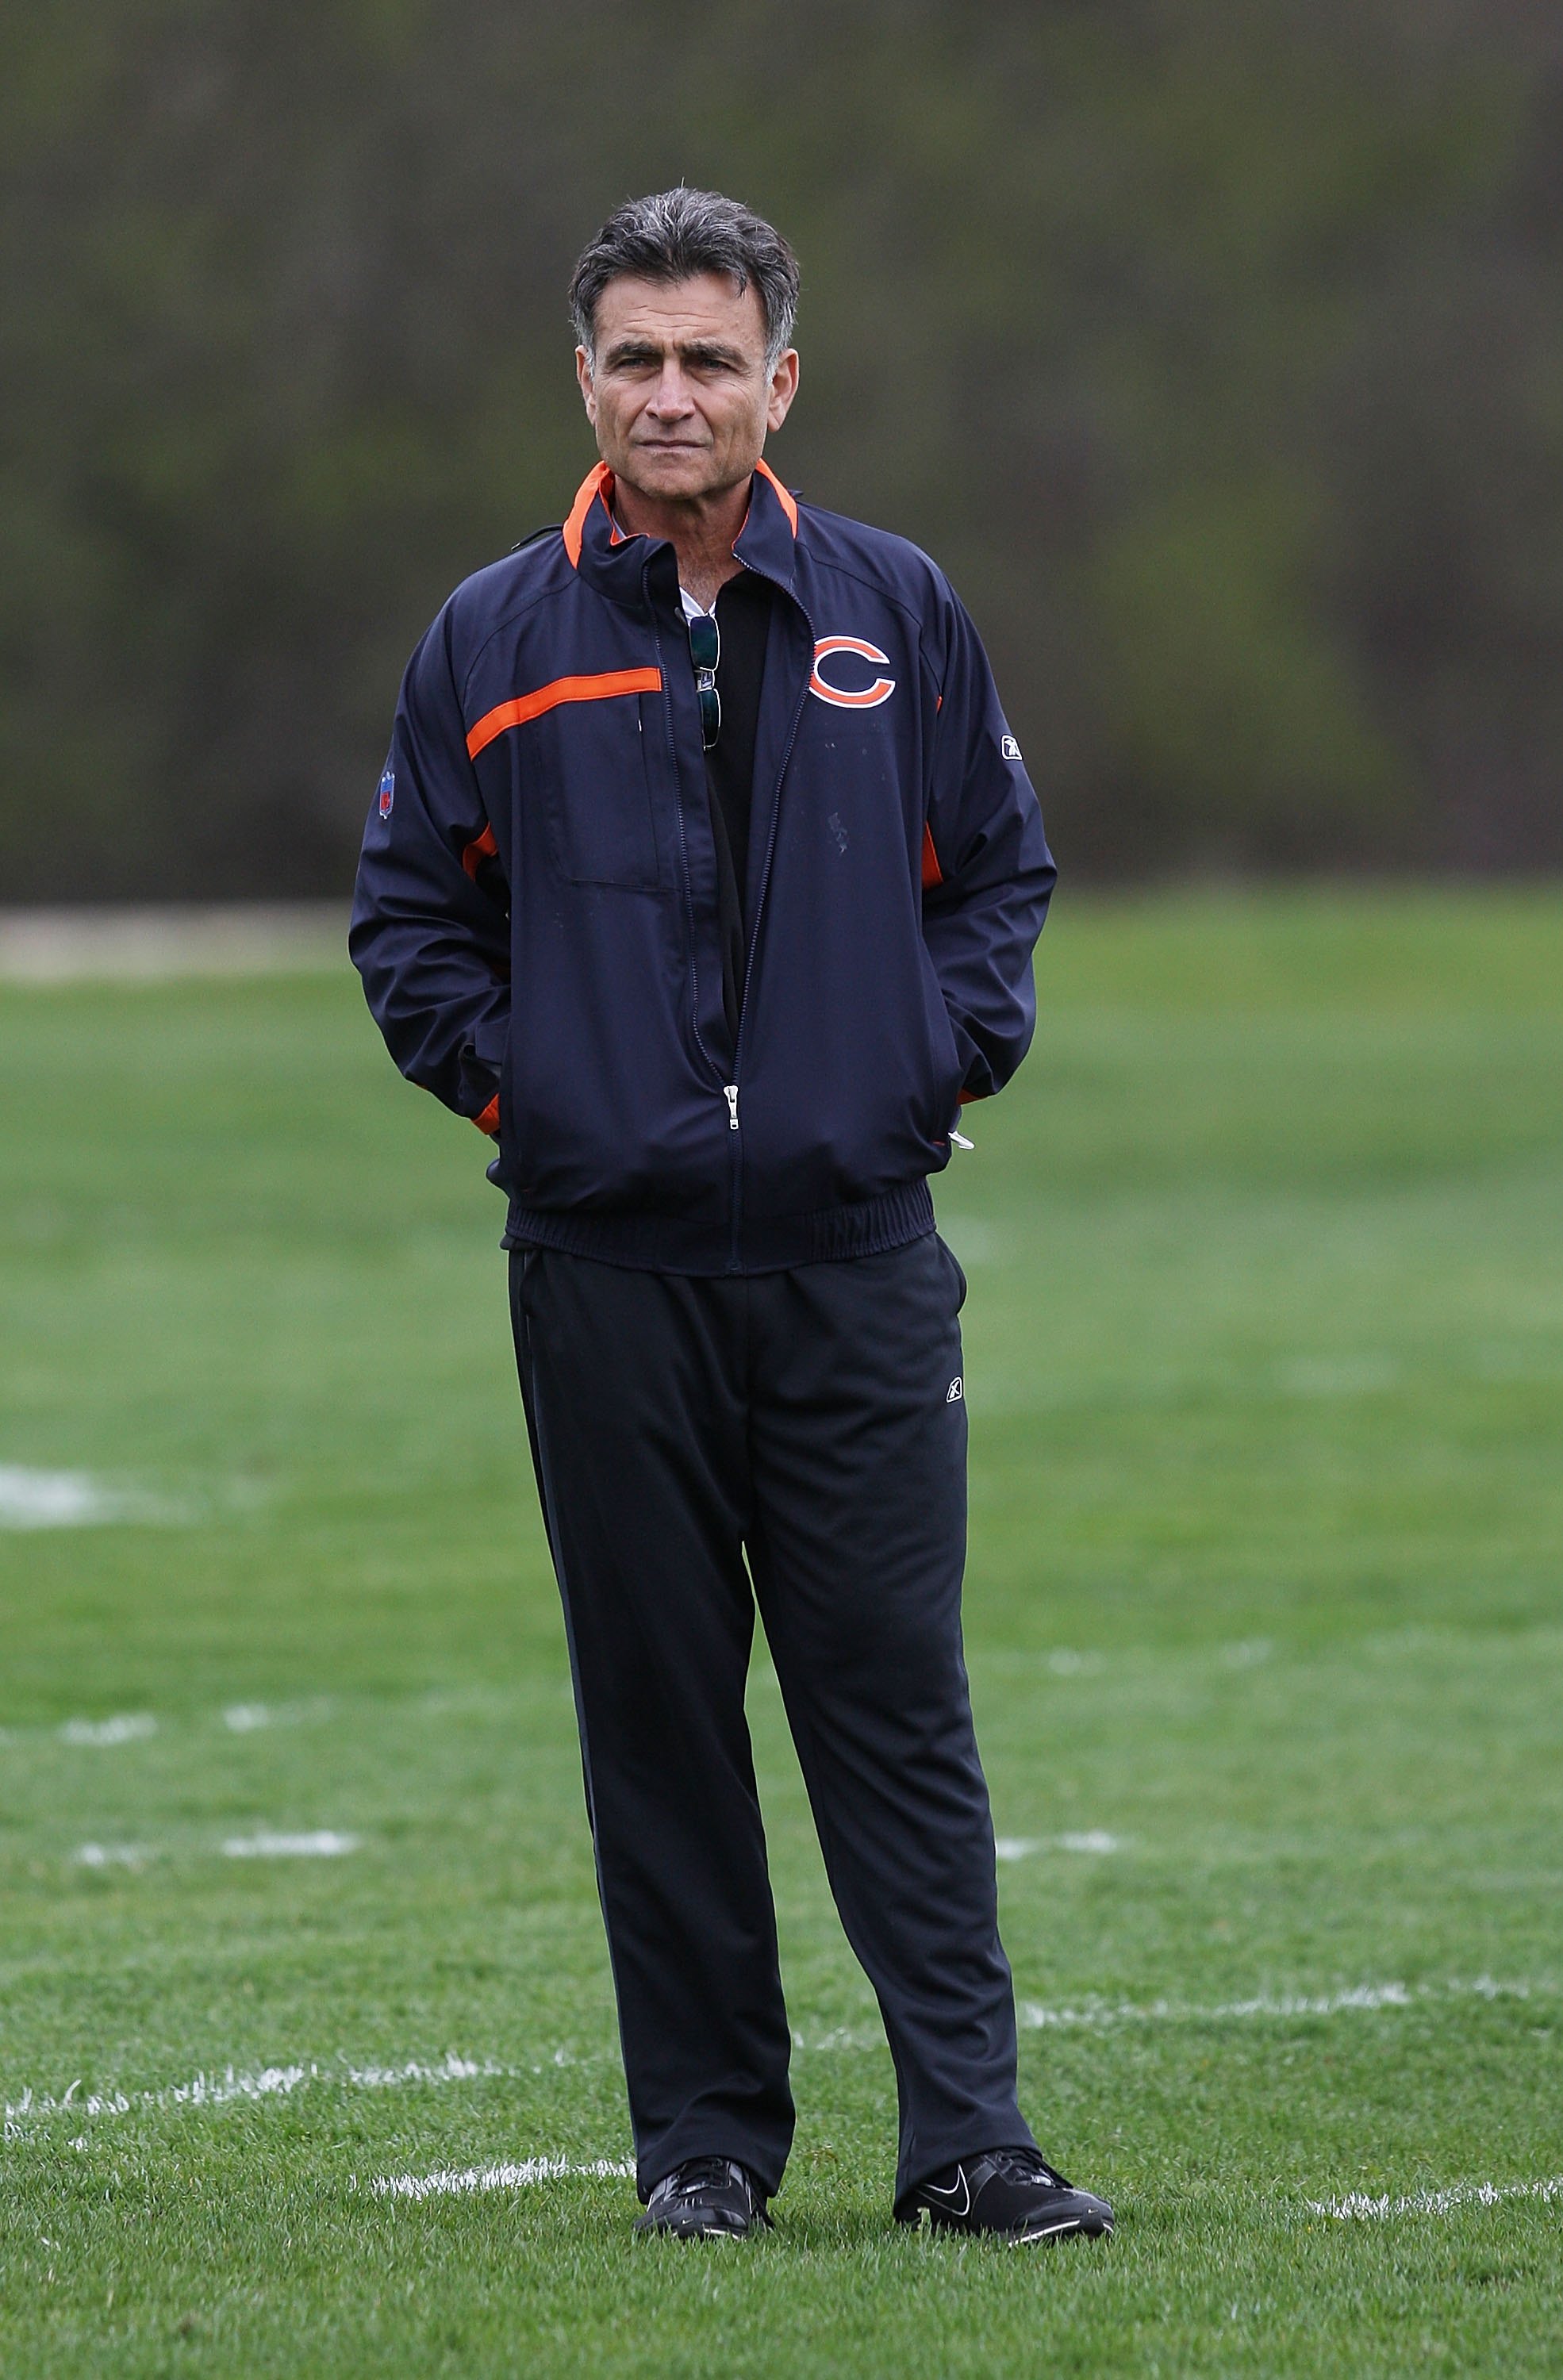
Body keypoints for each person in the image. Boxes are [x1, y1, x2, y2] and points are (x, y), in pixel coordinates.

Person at [351, 188, 1112, 2248]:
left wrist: (920, 1077)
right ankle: (703, 2144)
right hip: (607, 1269)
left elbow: (998, 880)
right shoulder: (489, 636)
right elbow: (409, 925)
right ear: (580, 379)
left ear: (782, 380)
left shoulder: (895, 609)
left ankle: (967, 2138)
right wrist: (551, 1109)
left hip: (856, 1262)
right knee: (659, 1716)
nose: (669, 392)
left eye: (708, 358)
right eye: (634, 356)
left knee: (893, 1703)